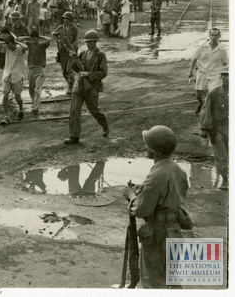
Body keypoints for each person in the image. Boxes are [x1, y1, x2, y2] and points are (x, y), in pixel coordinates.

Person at [122, 125, 190, 289]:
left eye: (148, 145)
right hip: (174, 230)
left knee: (154, 282)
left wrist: (131, 196)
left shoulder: (155, 176)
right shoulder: (177, 169)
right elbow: (168, 195)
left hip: (159, 235)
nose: (146, 147)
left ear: (154, 150)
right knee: (172, 279)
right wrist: (143, 191)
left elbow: (141, 210)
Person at [64, 30, 109, 144]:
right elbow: (75, 69)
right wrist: (73, 58)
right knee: (74, 110)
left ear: (95, 42)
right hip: (79, 86)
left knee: (94, 110)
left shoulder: (100, 55)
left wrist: (88, 74)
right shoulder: (83, 53)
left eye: (90, 42)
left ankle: (104, 124)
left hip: (92, 87)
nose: (88, 44)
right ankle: (74, 136)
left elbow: (103, 73)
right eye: (87, 42)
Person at [199, 67, 229, 189]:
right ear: (221, 77)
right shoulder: (214, 93)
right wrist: (204, 128)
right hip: (217, 129)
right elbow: (206, 111)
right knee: (222, 156)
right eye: (225, 75)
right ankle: (226, 179)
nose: (227, 78)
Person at [188, 28, 229, 114]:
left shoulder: (222, 49)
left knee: (212, 93)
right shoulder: (202, 46)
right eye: (212, 35)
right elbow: (195, 59)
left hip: (215, 74)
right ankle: (201, 103)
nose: (214, 37)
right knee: (198, 93)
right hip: (202, 72)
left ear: (219, 36)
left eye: (216, 35)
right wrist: (190, 71)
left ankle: (207, 109)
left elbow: (225, 63)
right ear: (209, 35)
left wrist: (227, 76)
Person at [0, 35, 28, 125]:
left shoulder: (19, 48)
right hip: (7, 74)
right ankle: (6, 116)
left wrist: (16, 41)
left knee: (17, 97)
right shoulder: (7, 48)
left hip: (17, 75)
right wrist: (4, 42)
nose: (8, 47)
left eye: (9, 45)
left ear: (13, 43)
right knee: (5, 95)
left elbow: (26, 47)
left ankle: (21, 108)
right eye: (7, 46)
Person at [20, 30, 51, 115]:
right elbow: (18, 39)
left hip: (40, 70)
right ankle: (35, 103)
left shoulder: (42, 45)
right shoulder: (28, 45)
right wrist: (29, 37)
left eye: (35, 39)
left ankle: (36, 107)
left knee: (37, 89)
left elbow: (49, 39)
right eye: (32, 40)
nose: (34, 41)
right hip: (31, 70)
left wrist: (40, 37)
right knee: (31, 89)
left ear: (38, 39)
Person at [52, 11, 78, 94]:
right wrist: (58, 39)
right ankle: (70, 81)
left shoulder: (74, 29)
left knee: (69, 68)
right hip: (62, 52)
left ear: (70, 20)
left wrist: (71, 48)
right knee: (64, 71)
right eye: (64, 19)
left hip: (70, 52)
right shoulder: (61, 27)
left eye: (67, 19)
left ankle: (71, 84)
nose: (65, 20)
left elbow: (76, 40)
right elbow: (53, 33)